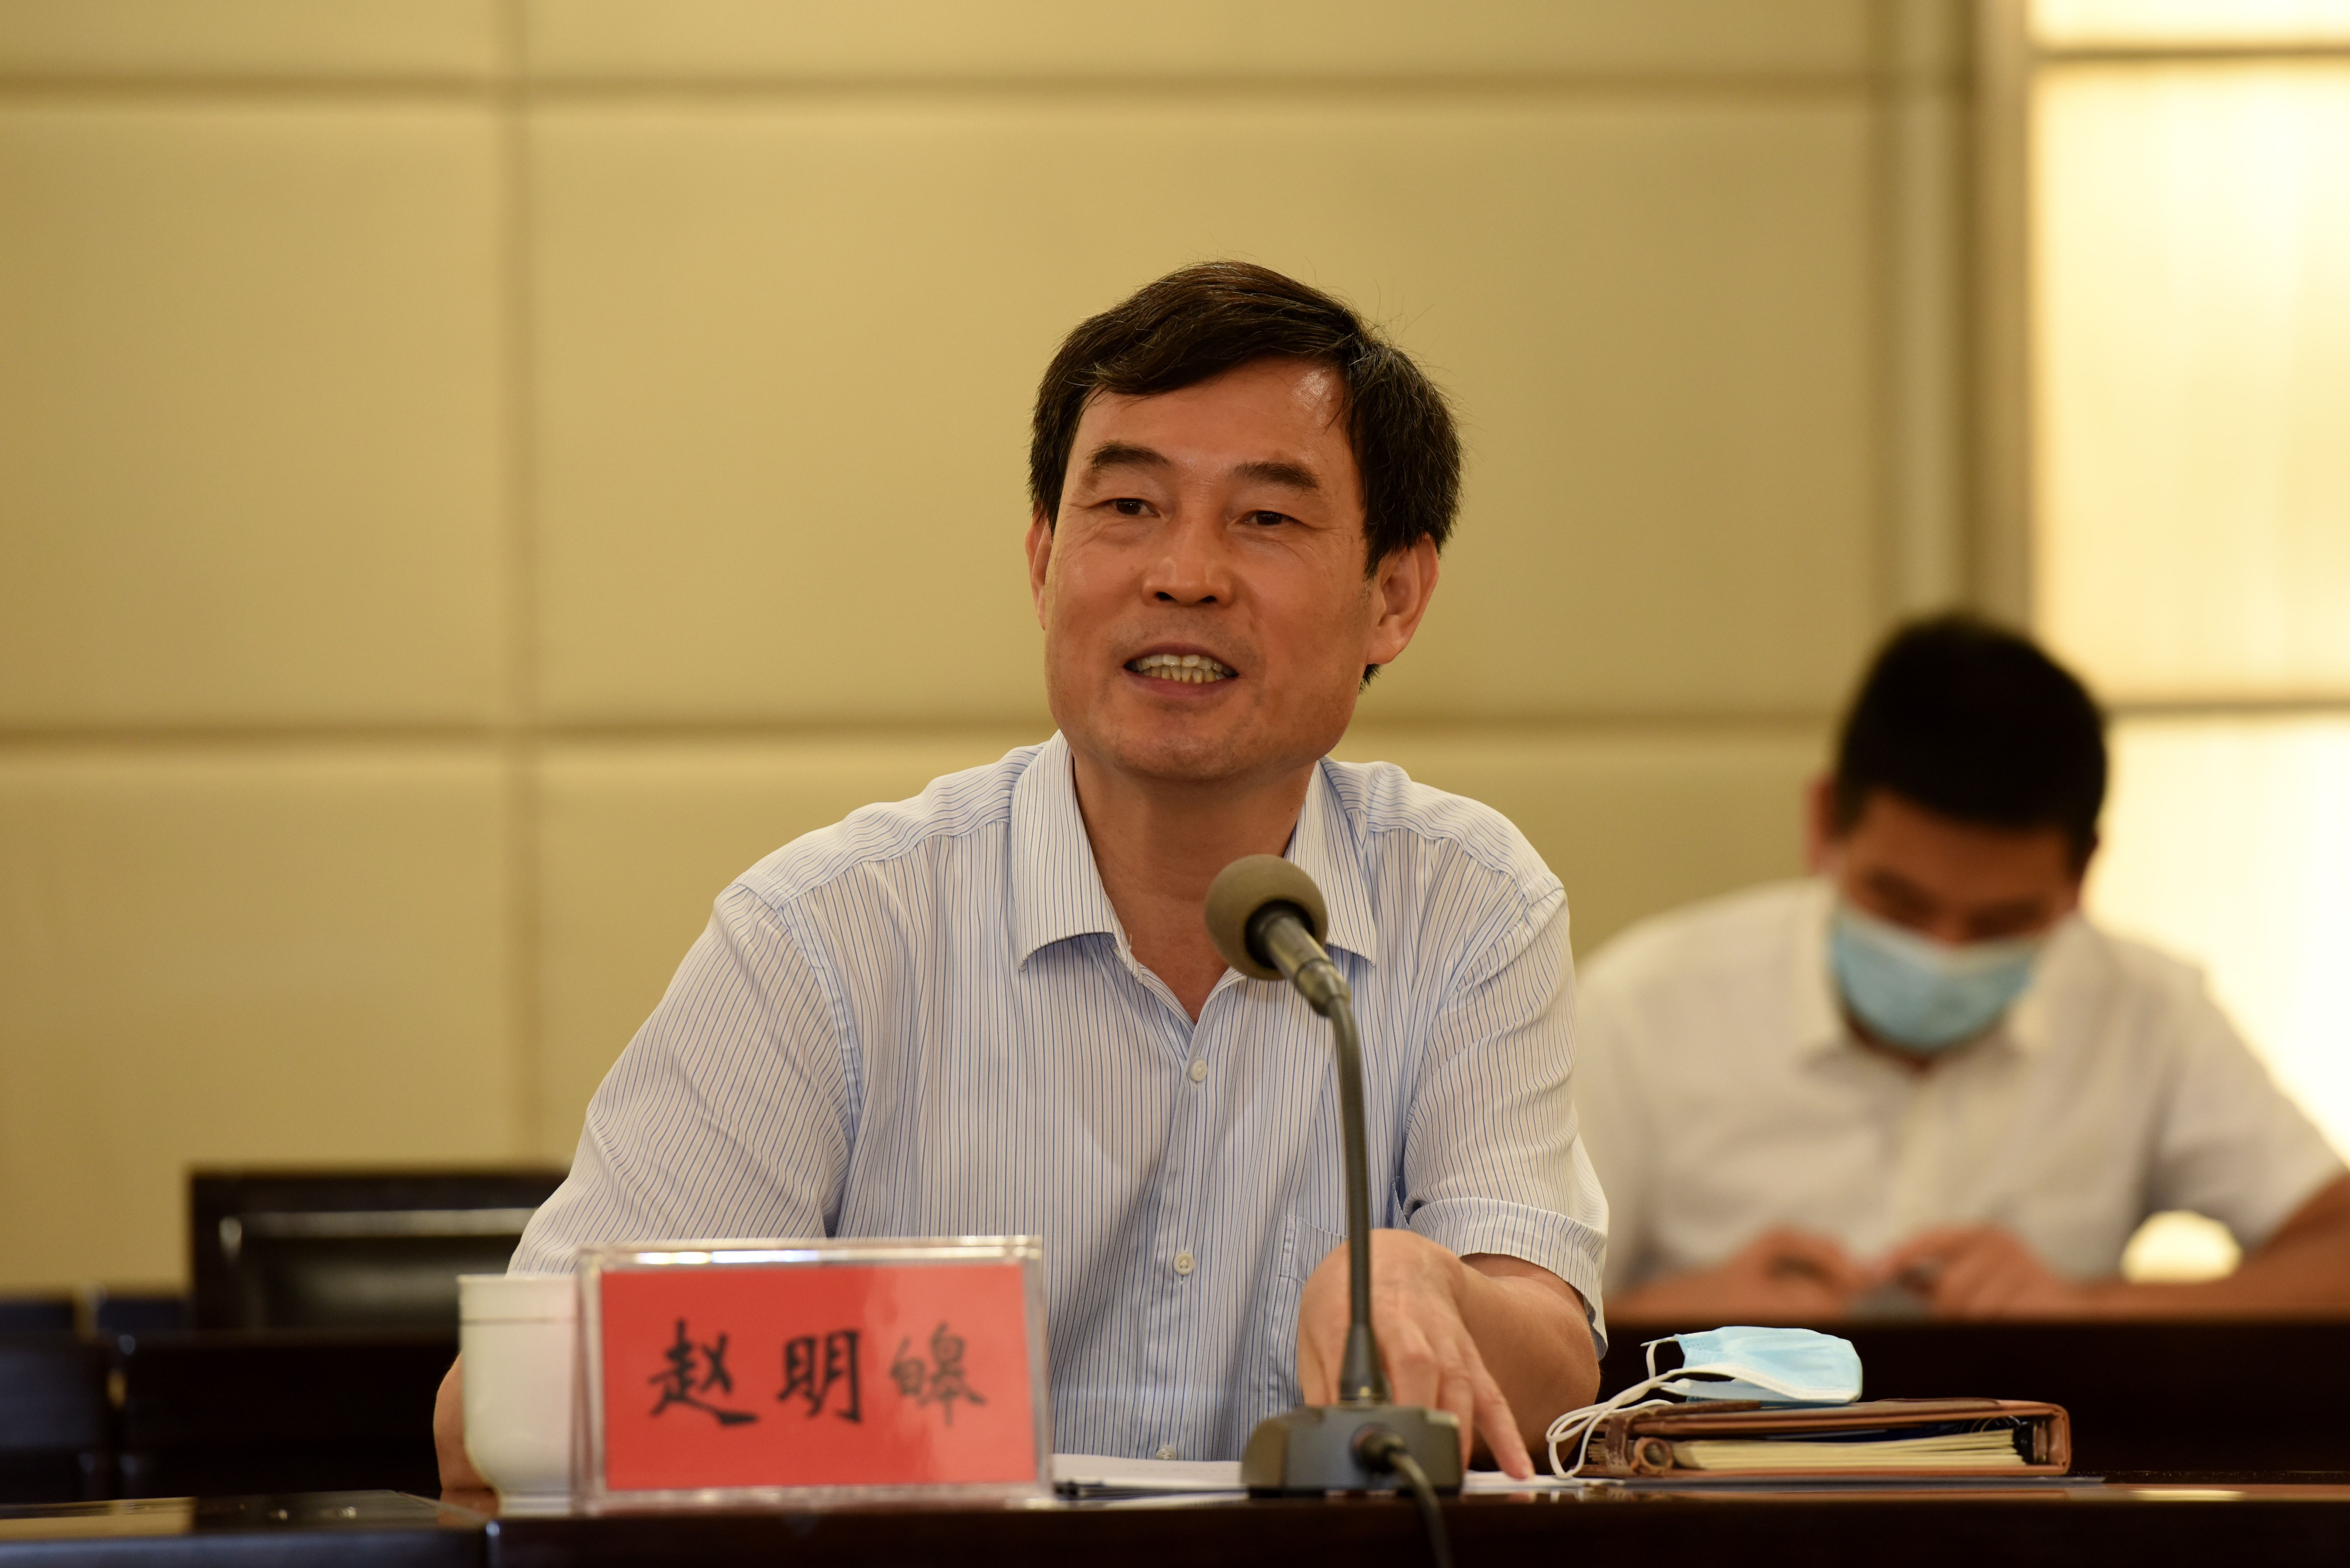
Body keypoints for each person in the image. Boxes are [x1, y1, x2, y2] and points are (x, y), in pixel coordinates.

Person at [433, 262, 1606, 1487]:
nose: (1184, 573)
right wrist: (897, 1365)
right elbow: (495, 1421)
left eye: (1265, 518)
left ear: (1394, 597)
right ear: (1044, 561)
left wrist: (1425, 1289)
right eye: (1128, 507)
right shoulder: (826, 935)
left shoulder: (1467, 905)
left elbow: (1555, 1369)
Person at [1578, 615, 2350, 1324]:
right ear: (1824, 823)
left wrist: (2088, 1309)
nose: (1942, 953)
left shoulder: (2144, 1008)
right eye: (1898, 904)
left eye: (2000, 923)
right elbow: (1517, 1314)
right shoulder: (1643, 1008)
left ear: (2081, 875)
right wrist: (1677, 1319)